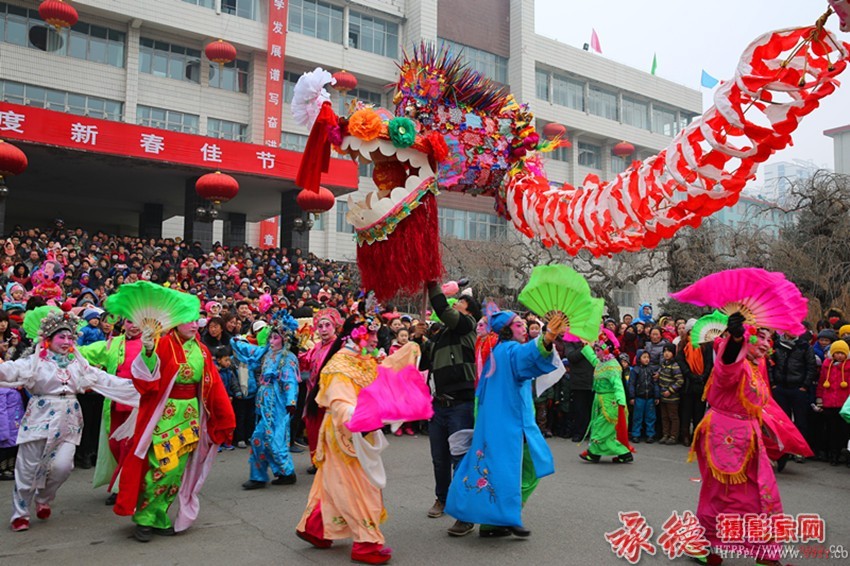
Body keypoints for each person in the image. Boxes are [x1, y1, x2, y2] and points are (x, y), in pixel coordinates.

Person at [0, 310, 139, 532]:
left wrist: (139, 388)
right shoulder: (34, 362)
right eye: (61, 337)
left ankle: (43, 498)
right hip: (39, 417)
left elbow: (103, 378)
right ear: (48, 340)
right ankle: (21, 512)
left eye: (69, 338)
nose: (66, 342)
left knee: (64, 467)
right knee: (27, 467)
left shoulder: (77, 364)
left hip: (69, 418)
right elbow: (9, 370)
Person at [692, 312, 802, 566]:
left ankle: (766, 553)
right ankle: (707, 546)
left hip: (749, 436)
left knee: (764, 494)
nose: (765, 343)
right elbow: (727, 366)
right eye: (760, 337)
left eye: (769, 338)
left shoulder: (755, 364)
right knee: (723, 495)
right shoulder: (733, 359)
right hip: (724, 436)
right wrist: (736, 339)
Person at [445, 310, 566, 537]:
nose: (523, 328)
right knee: (513, 469)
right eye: (519, 325)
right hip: (508, 425)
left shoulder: (498, 351)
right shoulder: (508, 350)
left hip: (510, 422)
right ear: (507, 330)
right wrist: (547, 338)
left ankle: (497, 519)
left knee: (503, 468)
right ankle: (494, 518)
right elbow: (527, 356)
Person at [114, 319, 235, 542]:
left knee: (177, 472)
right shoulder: (163, 343)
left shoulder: (202, 349)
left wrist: (224, 415)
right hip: (165, 414)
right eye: (188, 321)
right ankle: (145, 517)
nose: (194, 325)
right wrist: (148, 351)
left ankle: (158, 516)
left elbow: (213, 383)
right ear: (176, 323)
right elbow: (144, 378)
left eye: (196, 321)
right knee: (161, 468)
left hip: (190, 414)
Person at [295, 320, 393, 565]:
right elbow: (340, 404)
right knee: (359, 485)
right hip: (345, 431)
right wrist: (363, 418)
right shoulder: (340, 364)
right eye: (370, 335)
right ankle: (366, 542)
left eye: (376, 335)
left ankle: (314, 527)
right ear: (355, 336)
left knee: (331, 482)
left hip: (358, 428)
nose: (374, 340)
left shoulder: (363, 359)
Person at [415, 281, 480, 534]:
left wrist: (433, 284)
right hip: (438, 403)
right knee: (439, 458)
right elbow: (426, 364)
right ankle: (442, 498)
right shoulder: (442, 334)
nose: (454, 308)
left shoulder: (467, 327)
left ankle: (464, 511)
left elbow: (444, 310)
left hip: (461, 404)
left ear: (470, 313)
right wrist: (420, 340)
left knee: (460, 459)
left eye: (459, 306)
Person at [78, 319, 146, 505]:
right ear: (123, 323)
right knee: (115, 446)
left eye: (137, 321)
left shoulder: (152, 344)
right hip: (115, 404)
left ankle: (123, 488)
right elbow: (85, 353)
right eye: (130, 321)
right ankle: (123, 484)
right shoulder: (112, 343)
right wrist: (65, 345)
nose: (134, 325)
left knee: (129, 447)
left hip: (140, 405)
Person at [232, 313, 300, 489]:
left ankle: (286, 472)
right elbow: (250, 351)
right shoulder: (267, 353)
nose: (272, 340)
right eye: (271, 336)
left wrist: (291, 402)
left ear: (284, 340)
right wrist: (236, 341)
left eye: (276, 337)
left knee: (274, 439)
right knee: (258, 438)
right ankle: (259, 475)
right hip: (264, 402)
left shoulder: (287, 358)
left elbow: (290, 382)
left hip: (278, 402)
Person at [579, 335, 634, 464]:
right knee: (605, 430)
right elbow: (592, 359)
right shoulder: (601, 363)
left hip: (610, 402)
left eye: (598, 350)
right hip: (600, 400)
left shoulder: (612, 367)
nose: (596, 353)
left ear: (606, 350)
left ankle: (594, 453)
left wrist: (621, 402)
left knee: (600, 427)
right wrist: (586, 345)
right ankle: (623, 453)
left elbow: (618, 385)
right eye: (596, 350)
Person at [301, 308, 342, 474]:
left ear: (334, 327)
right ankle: (317, 460)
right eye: (320, 326)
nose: (324, 329)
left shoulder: (339, 347)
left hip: (330, 395)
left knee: (329, 429)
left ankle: (331, 461)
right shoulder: (316, 347)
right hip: (313, 394)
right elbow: (305, 362)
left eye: (327, 325)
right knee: (313, 427)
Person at [769, 330, 817, 462]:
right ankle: (784, 450)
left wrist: (805, 386)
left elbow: (811, 367)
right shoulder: (776, 345)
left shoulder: (804, 346)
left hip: (798, 388)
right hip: (780, 388)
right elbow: (770, 365)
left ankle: (799, 451)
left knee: (801, 421)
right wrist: (773, 384)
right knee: (782, 421)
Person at [677, 320, 713, 447]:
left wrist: (703, 376)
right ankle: (685, 435)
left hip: (701, 383)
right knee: (686, 411)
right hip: (688, 383)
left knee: (699, 412)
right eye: (691, 330)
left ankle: (696, 436)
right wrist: (691, 375)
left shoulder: (706, 344)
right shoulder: (682, 344)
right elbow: (681, 362)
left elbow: (709, 362)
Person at [815, 339, 850, 466]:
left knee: (844, 430)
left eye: (842, 353)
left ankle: (843, 454)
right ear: (832, 354)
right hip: (829, 402)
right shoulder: (826, 365)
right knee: (832, 430)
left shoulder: (848, 366)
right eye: (837, 353)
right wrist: (819, 398)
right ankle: (833, 454)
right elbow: (821, 382)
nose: (839, 355)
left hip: (844, 403)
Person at [628, 350, 659, 443]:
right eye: (644, 357)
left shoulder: (651, 370)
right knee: (637, 417)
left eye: (648, 357)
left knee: (650, 417)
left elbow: (655, 383)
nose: (646, 359)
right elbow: (631, 384)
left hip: (650, 397)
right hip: (639, 397)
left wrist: (657, 396)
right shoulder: (635, 370)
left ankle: (650, 434)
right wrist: (632, 396)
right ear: (639, 358)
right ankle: (636, 434)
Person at [657, 344, 684, 445]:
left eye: (669, 351)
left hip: (672, 397)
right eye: (665, 351)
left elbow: (680, 380)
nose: (666, 353)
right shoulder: (663, 363)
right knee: (664, 416)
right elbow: (660, 372)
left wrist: (671, 390)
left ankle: (673, 436)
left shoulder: (675, 365)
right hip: (663, 395)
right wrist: (657, 375)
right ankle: (665, 434)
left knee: (673, 416)